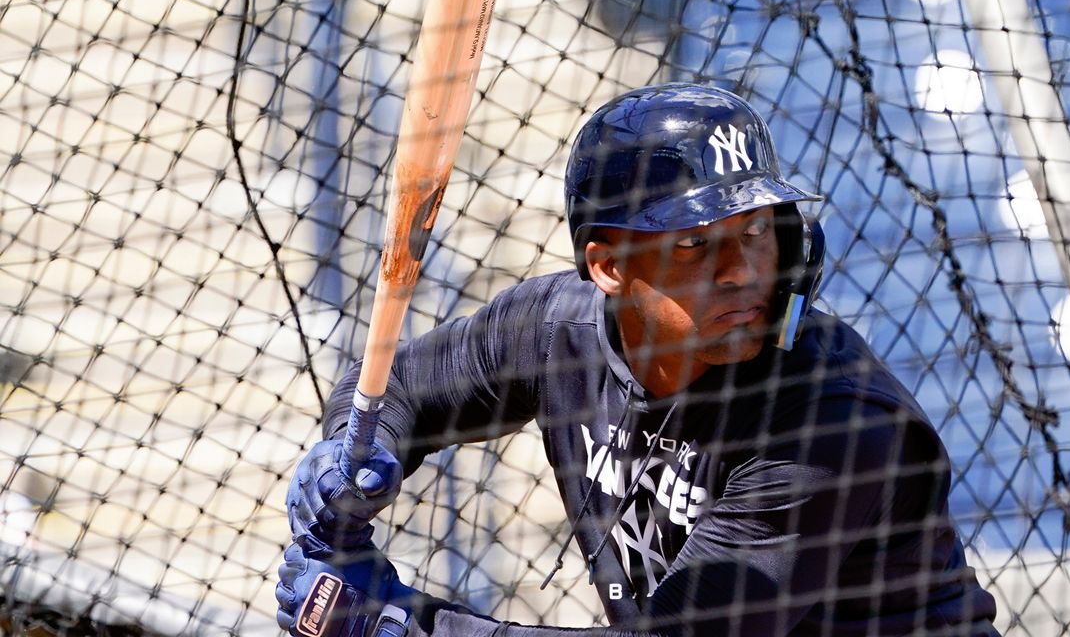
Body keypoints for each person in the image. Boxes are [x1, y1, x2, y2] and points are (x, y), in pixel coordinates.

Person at [275, 83, 1000, 636]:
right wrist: (352, 451)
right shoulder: (553, 328)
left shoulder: (832, 423)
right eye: (693, 243)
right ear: (608, 266)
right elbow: (402, 386)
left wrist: (404, 624)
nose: (741, 271)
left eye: (754, 233)